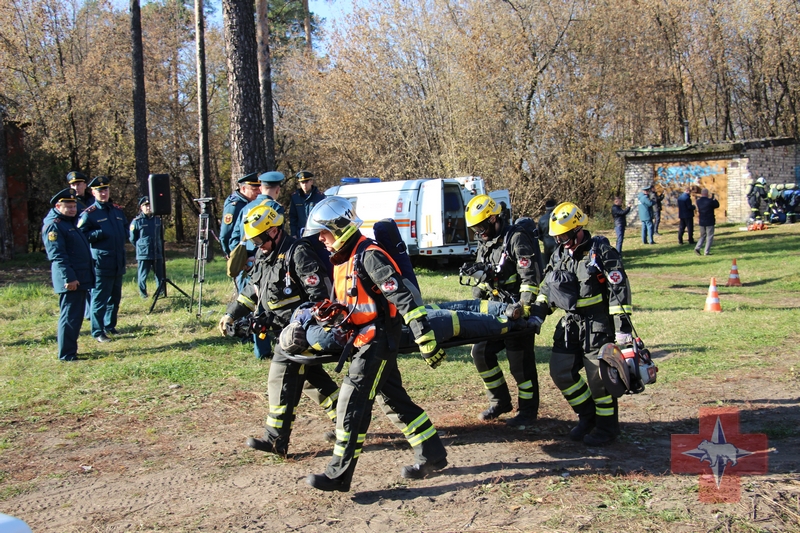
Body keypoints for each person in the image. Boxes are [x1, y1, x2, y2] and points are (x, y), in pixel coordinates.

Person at [303, 196, 448, 492]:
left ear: (339, 227)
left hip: (379, 341)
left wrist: (424, 335)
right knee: (394, 399)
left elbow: (402, 298)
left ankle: (338, 475)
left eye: (324, 232)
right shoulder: (344, 258)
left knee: (351, 404)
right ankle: (432, 454)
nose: (321, 239)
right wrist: (335, 311)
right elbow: (357, 301)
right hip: (363, 339)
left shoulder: (369, 255)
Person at [217, 201, 339, 455]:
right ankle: (349, 419)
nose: (257, 246)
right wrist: (231, 315)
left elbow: (321, 296)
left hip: (300, 332)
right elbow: (253, 292)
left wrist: (299, 323)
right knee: (312, 382)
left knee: (280, 379)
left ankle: (275, 440)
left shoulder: (298, 253)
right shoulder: (263, 255)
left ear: (273, 231)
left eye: (260, 239)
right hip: (280, 331)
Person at [530, 202, 634, 446]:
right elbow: (547, 288)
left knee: (599, 381)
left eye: (564, 235)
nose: (561, 241)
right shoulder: (558, 253)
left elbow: (619, 291)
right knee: (560, 371)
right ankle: (588, 416)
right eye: (557, 237)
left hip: (597, 325)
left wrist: (622, 331)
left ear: (578, 229)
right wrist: (537, 314)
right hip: (570, 325)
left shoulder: (601, 252)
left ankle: (607, 428)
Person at [463, 194, 542, 427]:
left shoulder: (516, 239)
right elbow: (484, 279)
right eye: (474, 228)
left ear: (494, 218)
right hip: (494, 310)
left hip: (517, 310)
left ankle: (528, 412)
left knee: (520, 364)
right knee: (480, 353)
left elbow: (530, 278)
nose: (478, 232)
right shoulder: (485, 241)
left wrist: (524, 309)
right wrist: (475, 304)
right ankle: (501, 401)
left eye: (480, 226)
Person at [42, 188, 95, 361]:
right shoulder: (54, 226)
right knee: (70, 316)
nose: (73, 209)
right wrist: (69, 278)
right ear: (58, 206)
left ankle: (71, 351)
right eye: (68, 206)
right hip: (71, 280)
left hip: (80, 277)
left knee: (76, 316)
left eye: (74, 206)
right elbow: (58, 256)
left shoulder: (69, 222)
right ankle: (66, 354)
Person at [77, 176, 127, 342]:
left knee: (115, 298)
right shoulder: (89, 214)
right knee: (99, 299)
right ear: (93, 192)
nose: (103, 193)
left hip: (117, 261)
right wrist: (98, 234)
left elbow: (125, 231)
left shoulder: (117, 211)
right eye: (99, 190)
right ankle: (98, 332)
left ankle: (110, 326)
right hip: (101, 262)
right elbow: (81, 236)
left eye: (105, 189)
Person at [129, 197, 163, 298]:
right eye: (146, 205)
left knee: (159, 275)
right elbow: (132, 238)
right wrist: (141, 247)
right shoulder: (137, 221)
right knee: (143, 275)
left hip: (156, 252)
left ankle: (160, 293)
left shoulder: (158, 220)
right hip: (144, 253)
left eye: (150, 205)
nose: (148, 208)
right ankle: (143, 294)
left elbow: (161, 235)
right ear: (141, 207)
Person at [219, 173, 260, 258]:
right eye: (254, 189)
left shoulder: (252, 203)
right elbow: (225, 234)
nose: (258, 192)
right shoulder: (235, 206)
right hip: (239, 253)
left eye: (259, 189)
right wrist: (231, 254)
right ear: (244, 188)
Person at [289, 170, 326, 237]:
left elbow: (324, 217)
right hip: (301, 233)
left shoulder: (320, 197)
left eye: (306, 182)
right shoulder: (295, 197)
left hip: (316, 233)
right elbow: (293, 218)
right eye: (302, 182)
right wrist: (294, 234)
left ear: (311, 182)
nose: (304, 185)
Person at [694, 189, 720, 256]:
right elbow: (717, 205)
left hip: (702, 221)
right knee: (709, 236)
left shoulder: (698, 201)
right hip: (710, 221)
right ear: (707, 193)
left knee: (702, 236)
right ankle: (706, 251)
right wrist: (714, 199)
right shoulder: (710, 201)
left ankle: (697, 247)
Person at [537, 199, 557, 263]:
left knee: (548, 263)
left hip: (546, 244)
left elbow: (539, 234)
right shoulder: (558, 217)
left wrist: (545, 239)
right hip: (557, 243)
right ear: (555, 207)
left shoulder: (541, 219)